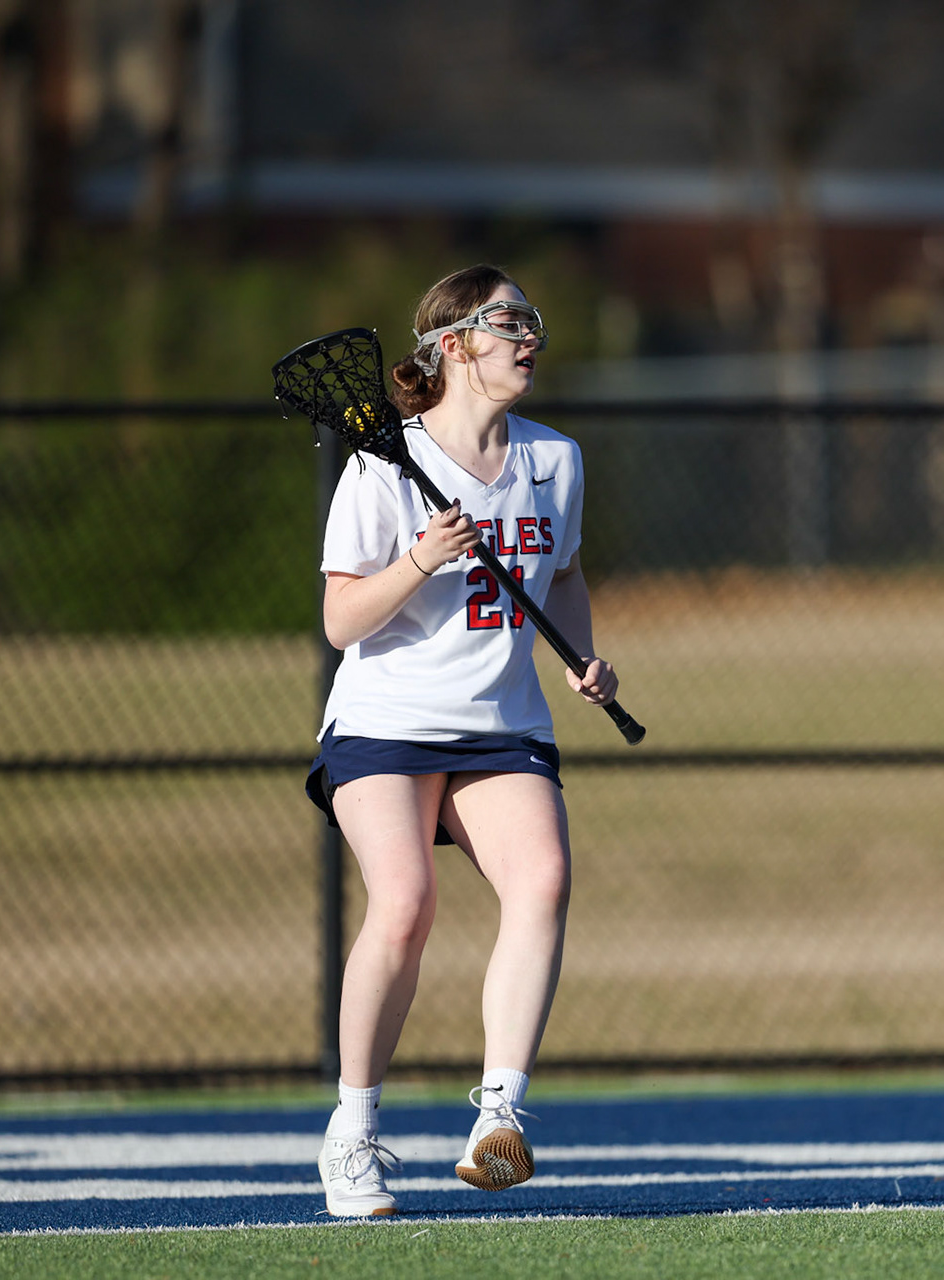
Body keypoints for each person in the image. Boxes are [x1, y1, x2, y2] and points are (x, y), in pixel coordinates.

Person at [304, 265, 620, 1217]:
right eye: (509, 322)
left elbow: (560, 575)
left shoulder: (554, 459)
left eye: (534, 323)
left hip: (500, 727)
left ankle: (499, 1117)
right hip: (386, 725)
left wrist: (583, 656)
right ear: (452, 346)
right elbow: (341, 621)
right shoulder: (380, 464)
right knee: (404, 903)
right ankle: (352, 1134)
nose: (531, 338)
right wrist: (419, 559)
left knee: (545, 879)